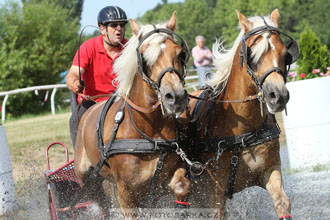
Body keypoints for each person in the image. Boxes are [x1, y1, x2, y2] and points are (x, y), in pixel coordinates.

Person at [66, 6, 128, 148]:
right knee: (74, 121)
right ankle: (81, 163)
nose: (119, 29)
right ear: (102, 28)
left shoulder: (129, 48)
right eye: (113, 25)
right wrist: (74, 83)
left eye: (122, 25)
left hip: (124, 101)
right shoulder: (89, 47)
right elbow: (72, 74)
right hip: (94, 102)